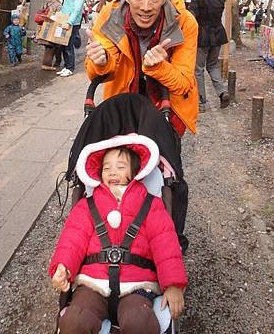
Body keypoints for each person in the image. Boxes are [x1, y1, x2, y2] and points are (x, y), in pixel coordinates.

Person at [85, 0, 198, 252]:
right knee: (118, 170)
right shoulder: (111, 16)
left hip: (166, 111)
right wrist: (99, 63)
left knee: (168, 176)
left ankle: (169, 239)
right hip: (122, 108)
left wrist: (159, 68)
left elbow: (184, 83)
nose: (146, 6)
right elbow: (102, 62)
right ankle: (114, 232)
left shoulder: (184, 23)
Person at [49, 136, 187, 334]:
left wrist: (173, 285)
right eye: (106, 168)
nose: (112, 171)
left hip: (136, 283)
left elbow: (165, 244)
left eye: (120, 167)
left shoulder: (151, 205)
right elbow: (72, 240)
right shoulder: (87, 205)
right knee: (74, 320)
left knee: (139, 323)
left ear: (135, 171)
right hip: (92, 282)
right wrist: (64, 267)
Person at [189, 0, 229, 111]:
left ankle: (201, 103)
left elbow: (192, 16)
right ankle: (222, 92)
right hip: (217, 34)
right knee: (212, 66)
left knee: (198, 69)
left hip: (202, 36)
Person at [58, 0, 85, 77]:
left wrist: (69, 22)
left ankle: (70, 68)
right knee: (64, 45)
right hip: (65, 22)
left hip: (73, 24)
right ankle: (66, 66)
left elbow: (76, 10)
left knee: (69, 45)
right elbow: (64, 10)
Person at [40, 0, 65, 71]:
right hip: (54, 26)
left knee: (47, 45)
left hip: (46, 25)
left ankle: (46, 63)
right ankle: (48, 64)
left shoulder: (47, 3)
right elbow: (60, 16)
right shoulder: (58, 5)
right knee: (52, 46)